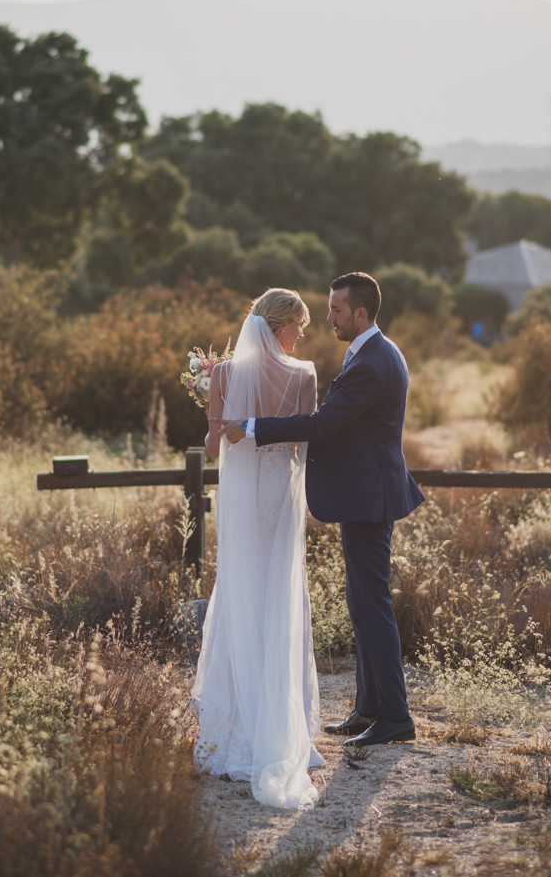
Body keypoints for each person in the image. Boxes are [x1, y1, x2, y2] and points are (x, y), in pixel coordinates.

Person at [224, 272, 424, 748]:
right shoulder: (373, 353)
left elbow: (324, 424)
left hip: (369, 497)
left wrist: (250, 425)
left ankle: (396, 717)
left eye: (335, 311)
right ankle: (369, 708)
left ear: (359, 313)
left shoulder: (374, 362)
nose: (327, 318)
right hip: (364, 494)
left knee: (373, 606)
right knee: (362, 602)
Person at [191, 287, 324, 809]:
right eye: (299, 327)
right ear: (280, 325)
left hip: (241, 502)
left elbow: (211, 447)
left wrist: (216, 416)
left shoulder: (223, 375)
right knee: (278, 596)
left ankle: (236, 733)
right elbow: (302, 441)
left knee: (240, 591)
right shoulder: (305, 375)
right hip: (279, 498)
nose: (302, 337)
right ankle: (278, 727)